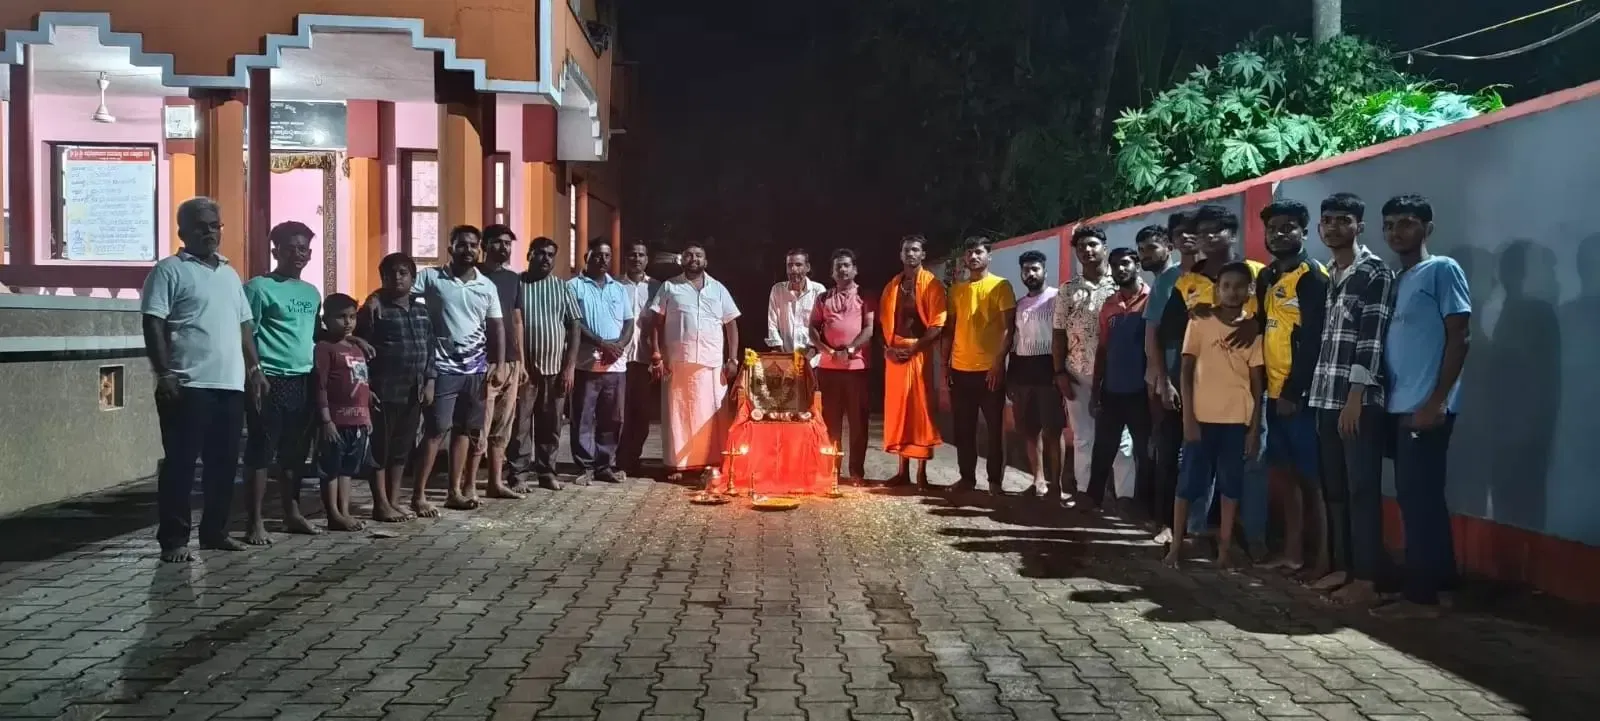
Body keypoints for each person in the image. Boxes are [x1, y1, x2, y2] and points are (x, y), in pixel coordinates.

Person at [140, 196, 268, 562]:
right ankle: (174, 540)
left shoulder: (229, 274)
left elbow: (244, 326)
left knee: (224, 465)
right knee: (181, 465)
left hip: (229, 385)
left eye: (215, 226)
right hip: (187, 385)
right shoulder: (169, 271)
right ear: (183, 231)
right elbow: (153, 322)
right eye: (201, 227)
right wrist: (164, 373)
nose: (210, 232)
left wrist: (254, 369)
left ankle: (215, 532)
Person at [1377, 194, 1471, 619]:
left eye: (1407, 223)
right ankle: (1441, 585)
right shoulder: (1396, 279)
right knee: (1418, 497)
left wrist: (1438, 401)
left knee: (1418, 500)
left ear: (1427, 228)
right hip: (1399, 405)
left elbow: (1460, 337)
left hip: (1426, 405)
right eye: (1390, 224)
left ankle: (1421, 597)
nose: (1397, 232)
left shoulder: (1442, 270)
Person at [1306, 192, 1394, 604]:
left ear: (1360, 226)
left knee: (1361, 490)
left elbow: (1371, 339)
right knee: (1335, 489)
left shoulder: (1375, 272)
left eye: (1344, 220)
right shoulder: (1329, 274)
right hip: (1324, 397)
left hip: (1357, 400)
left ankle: (1368, 579)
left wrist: (1356, 396)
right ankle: (1343, 568)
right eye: (1328, 220)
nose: (1334, 227)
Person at [1170, 205, 1269, 558]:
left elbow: (1274, 316)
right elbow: (1171, 335)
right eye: (1203, 232)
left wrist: (1255, 322)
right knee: (1195, 476)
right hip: (1203, 402)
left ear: (1233, 234)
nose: (1210, 237)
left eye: (1217, 230)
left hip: (1242, 407)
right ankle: (1193, 535)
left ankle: (1251, 539)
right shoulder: (1188, 283)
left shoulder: (1258, 272)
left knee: (1247, 471)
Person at [1256, 200, 1330, 572]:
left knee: (1313, 479)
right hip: (1272, 394)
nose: (1279, 234)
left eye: (1288, 227)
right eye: (1272, 229)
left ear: (1304, 231)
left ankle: (1325, 560)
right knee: (1285, 475)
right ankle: (1293, 553)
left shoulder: (1312, 276)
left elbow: (1315, 339)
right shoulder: (1267, 277)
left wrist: (1293, 391)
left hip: (1300, 397)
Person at [411, 226, 506, 516]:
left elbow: (497, 327)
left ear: (479, 249)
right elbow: (402, 294)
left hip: (475, 370)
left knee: (465, 431)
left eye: (473, 245)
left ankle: (454, 492)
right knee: (436, 429)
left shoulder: (486, 286)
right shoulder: (431, 277)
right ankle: (418, 495)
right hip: (442, 369)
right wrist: (377, 300)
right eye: (462, 244)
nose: (468, 250)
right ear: (450, 248)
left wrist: (500, 363)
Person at [240, 221, 322, 543]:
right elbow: (246, 332)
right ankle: (255, 521)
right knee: (261, 452)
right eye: (290, 248)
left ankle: (292, 513)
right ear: (276, 251)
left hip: (302, 380)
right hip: (270, 380)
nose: (298, 254)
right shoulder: (258, 288)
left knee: (295, 453)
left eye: (303, 248)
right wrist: (255, 371)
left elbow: (315, 334)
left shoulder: (311, 292)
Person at [644, 243, 741, 481]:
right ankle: (677, 465)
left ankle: (711, 463)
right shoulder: (670, 287)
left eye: (699, 255)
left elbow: (731, 325)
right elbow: (655, 323)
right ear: (682, 260)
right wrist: (656, 354)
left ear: (705, 261)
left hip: (711, 364)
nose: (694, 259)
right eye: (689, 255)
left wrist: (732, 358)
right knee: (678, 415)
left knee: (712, 417)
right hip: (677, 362)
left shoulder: (718, 289)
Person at [1053, 226, 1131, 509]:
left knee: (1122, 440)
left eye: (1093, 245)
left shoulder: (1121, 284)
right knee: (1084, 437)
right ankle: (1086, 493)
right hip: (1077, 373)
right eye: (1081, 247)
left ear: (1104, 248)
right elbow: (1058, 333)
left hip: (1115, 375)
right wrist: (1059, 373)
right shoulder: (1068, 290)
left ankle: (1126, 497)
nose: (1087, 250)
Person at [356, 253, 434, 523]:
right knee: (380, 449)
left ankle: (394, 500)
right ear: (382, 279)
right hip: (383, 390)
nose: (397, 278)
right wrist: (365, 388)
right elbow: (358, 350)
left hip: (413, 390)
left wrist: (430, 381)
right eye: (390, 274)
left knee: (401, 450)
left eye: (403, 273)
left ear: (413, 277)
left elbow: (430, 348)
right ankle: (380, 504)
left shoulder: (422, 311)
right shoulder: (374, 311)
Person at [944, 235, 1017, 493]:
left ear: (989, 256)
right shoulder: (957, 290)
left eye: (978, 252)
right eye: (970, 253)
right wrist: (945, 364)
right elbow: (950, 329)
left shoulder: (1001, 286)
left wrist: (998, 363)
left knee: (995, 429)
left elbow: (1009, 328)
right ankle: (967, 478)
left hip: (989, 371)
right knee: (963, 429)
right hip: (960, 369)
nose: (973, 257)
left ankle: (995, 481)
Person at [463, 224, 526, 500]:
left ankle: (495, 482)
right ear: (485, 245)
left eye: (508, 243)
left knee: (503, 427)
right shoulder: (474, 275)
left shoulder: (513, 279)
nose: (504, 247)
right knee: (479, 426)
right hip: (483, 361)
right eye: (498, 242)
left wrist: (521, 362)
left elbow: (517, 320)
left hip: (511, 362)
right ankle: (468, 485)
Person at [514, 237, 582, 490]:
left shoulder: (562, 288)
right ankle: (518, 474)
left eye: (551, 255)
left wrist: (569, 367)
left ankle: (546, 472)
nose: (546, 259)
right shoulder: (517, 284)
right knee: (519, 425)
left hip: (555, 369)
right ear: (529, 255)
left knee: (551, 425)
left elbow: (574, 327)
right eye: (540, 253)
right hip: (523, 371)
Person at [1089, 246, 1152, 517]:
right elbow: (1103, 350)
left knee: (1145, 453)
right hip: (1112, 390)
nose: (1120, 269)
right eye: (1115, 265)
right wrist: (1095, 391)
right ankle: (1093, 500)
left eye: (1125, 263)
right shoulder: (1109, 305)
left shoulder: (1152, 299)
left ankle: (1144, 507)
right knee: (1103, 449)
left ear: (1137, 264)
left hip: (1142, 392)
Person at [880, 235, 947, 486]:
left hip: (919, 354)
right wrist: (888, 350)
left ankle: (921, 474)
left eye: (915, 250)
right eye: (907, 250)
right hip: (896, 355)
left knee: (921, 411)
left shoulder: (932, 285)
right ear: (901, 254)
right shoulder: (892, 286)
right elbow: (883, 324)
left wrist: (914, 349)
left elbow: (937, 325)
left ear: (923, 255)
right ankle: (902, 472)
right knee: (900, 412)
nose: (910, 254)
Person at [569, 243, 635, 484]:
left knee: (612, 419)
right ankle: (585, 467)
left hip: (616, 366)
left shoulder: (618, 288)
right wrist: (602, 343)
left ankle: (605, 465)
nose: (603, 260)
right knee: (583, 417)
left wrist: (619, 346)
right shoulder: (574, 286)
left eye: (607, 256)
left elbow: (629, 322)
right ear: (586, 257)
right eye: (597, 255)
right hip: (586, 365)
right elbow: (575, 323)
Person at [810, 249, 876, 482]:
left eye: (846, 265)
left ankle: (856, 472)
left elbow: (869, 329)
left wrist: (850, 350)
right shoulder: (823, 298)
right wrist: (827, 351)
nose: (842, 269)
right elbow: (813, 328)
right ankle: (831, 470)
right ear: (832, 272)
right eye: (838, 266)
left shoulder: (865, 296)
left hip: (856, 368)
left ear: (855, 269)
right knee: (830, 423)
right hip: (828, 368)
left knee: (858, 423)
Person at [1138, 221, 1183, 538]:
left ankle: (1174, 523)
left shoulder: (1177, 278)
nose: (1145, 255)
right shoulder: (1160, 284)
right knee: (1163, 450)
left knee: (1173, 453)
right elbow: (1150, 337)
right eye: (1141, 250)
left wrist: (1161, 380)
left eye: (1151, 248)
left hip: (1179, 378)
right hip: (1163, 380)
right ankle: (1164, 520)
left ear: (1169, 246)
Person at [1007, 250, 1063, 497]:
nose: (1030, 274)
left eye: (1035, 269)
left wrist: (1060, 371)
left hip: (1049, 369)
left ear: (1044, 271)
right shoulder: (1019, 305)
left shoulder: (1057, 298)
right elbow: (1015, 342)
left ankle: (1057, 485)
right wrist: (1011, 376)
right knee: (1030, 431)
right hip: (1023, 372)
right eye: (1026, 270)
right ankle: (1038, 481)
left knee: (1053, 430)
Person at [312, 293, 370, 532]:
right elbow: (320, 385)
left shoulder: (357, 348)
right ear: (326, 319)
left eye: (352, 317)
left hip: (358, 421)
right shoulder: (324, 349)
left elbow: (362, 383)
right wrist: (326, 420)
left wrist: (366, 416)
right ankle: (333, 513)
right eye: (341, 317)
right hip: (336, 421)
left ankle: (344, 511)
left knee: (347, 469)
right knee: (331, 469)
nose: (348, 322)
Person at [617, 242, 661, 476]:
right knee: (620, 414)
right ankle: (619, 461)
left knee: (642, 414)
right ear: (626, 258)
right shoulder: (615, 285)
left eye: (641, 255)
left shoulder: (657, 287)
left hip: (645, 358)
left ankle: (633, 458)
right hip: (618, 359)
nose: (637, 258)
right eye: (632, 254)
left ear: (647, 259)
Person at [766, 249, 825, 365]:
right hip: (785, 358)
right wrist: (783, 356)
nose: (793, 269)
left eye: (798, 265)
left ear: (807, 267)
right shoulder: (777, 290)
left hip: (813, 361)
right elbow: (772, 325)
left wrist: (810, 353)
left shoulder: (818, 290)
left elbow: (823, 325)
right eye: (789, 265)